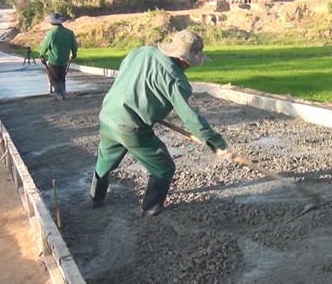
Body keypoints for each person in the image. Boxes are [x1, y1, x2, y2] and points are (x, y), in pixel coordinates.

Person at [90, 30, 235, 217]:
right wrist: (217, 143)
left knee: (105, 160)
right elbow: (191, 118)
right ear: (184, 58)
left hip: (108, 115)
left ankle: (96, 199)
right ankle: (150, 210)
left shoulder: (142, 52)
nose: (190, 66)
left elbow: (126, 78)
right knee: (163, 167)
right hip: (131, 126)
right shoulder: (176, 79)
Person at [39, 12, 78, 99]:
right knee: (62, 77)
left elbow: (45, 45)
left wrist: (42, 55)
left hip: (54, 60)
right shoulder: (70, 33)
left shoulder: (52, 33)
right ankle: (63, 92)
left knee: (54, 78)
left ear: (52, 22)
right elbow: (74, 46)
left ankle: (60, 94)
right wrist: (74, 54)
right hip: (64, 60)